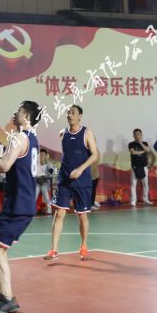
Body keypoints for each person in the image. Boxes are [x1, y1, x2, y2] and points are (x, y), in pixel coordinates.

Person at [0, 101, 41, 313]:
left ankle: (8, 298)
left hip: (18, 204)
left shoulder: (19, 138)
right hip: (22, 202)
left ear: (27, 117)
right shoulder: (32, 139)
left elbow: (4, 165)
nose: (15, 112)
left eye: (19, 110)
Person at [44, 105, 99, 261]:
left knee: (82, 216)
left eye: (73, 113)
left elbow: (94, 155)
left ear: (80, 116)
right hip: (65, 180)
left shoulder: (87, 133)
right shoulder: (63, 133)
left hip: (82, 181)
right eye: (68, 113)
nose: (69, 115)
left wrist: (80, 169)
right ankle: (54, 250)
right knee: (59, 213)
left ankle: (83, 246)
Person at [128, 128, 153, 206]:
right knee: (133, 184)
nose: (137, 136)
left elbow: (148, 150)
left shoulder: (145, 143)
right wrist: (143, 151)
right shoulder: (131, 144)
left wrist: (140, 143)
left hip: (144, 166)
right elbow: (133, 152)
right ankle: (133, 200)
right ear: (133, 136)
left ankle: (145, 199)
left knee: (145, 183)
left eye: (138, 134)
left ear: (141, 135)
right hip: (135, 166)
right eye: (135, 134)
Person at [36, 148, 57, 215]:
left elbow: (51, 173)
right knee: (37, 188)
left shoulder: (49, 163)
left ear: (45, 156)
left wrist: (48, 174)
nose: (41, 156)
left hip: (45, 183)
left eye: (43, 155)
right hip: (36, 183)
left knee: (43, 187)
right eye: (40, 155)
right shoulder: (35, 163)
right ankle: (32, 207)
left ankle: (49, 208)